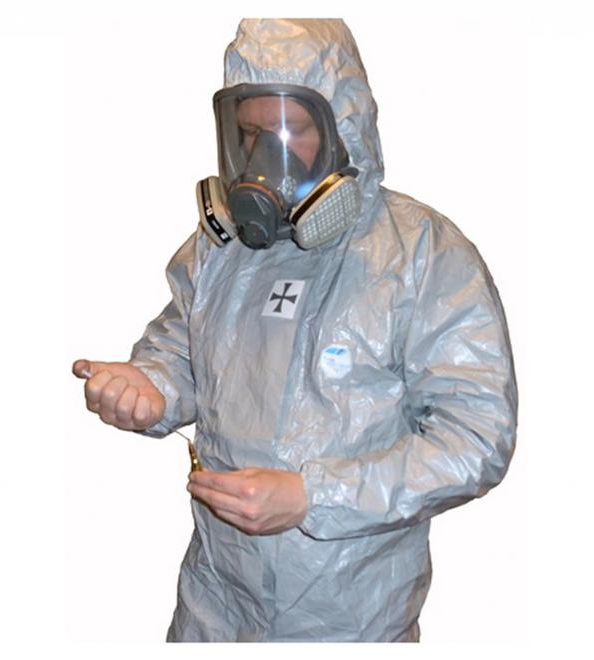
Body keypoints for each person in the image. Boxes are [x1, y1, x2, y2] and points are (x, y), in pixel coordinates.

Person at [72, 18, 517, 642]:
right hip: (215, 607)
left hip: (352, 619)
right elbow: (184, 354)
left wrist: (314, 496)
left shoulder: (422, 256)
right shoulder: (222, 250)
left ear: (342, 127)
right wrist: (150, 388)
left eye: (289, 130)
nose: (267, 157)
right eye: (251, 134)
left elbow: (474, 438)